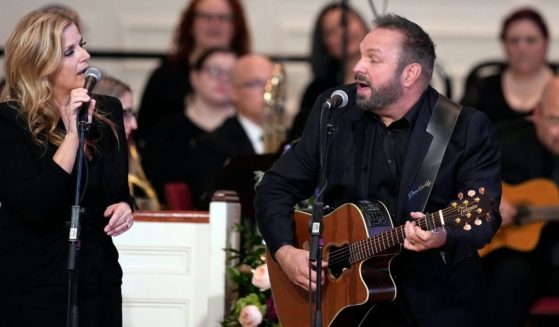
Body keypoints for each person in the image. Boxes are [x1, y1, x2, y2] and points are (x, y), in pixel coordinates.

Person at [255, 14, 502, 326]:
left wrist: (442, 236)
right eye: (360, 56)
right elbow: (274, 188)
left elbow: (485, 217)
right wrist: (285, 252)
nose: (358, 67)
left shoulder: (464, 129)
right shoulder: (335, 114)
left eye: (373, 59)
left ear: (410, 73)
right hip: (348, 307)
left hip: (438, 305)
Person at [0, 10, 133, 326]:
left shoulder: (109, 111)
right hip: (35, 277)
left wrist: (125, 208)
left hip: (99, 275)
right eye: (70, 51)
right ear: (41, 65)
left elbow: (118, 191)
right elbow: (35, 204)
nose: (86, 56)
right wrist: (73, 134)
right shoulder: (9, 121)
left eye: (82, 45)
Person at [461, 8, 558, 326]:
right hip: (509, 239)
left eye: (531, 39)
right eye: (514, 40)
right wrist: (490, 195)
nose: (522, 47)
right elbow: (461, 156)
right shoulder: (490, 103)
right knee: (506, 276)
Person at [137, 0, 250, 151]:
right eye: (206, 17)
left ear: (236, 25)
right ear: (190, 23)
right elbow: (144, 133)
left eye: (223, 18)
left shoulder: (250, 73)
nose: (214, 24)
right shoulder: (165, 76)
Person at [142, 48, 237, 205]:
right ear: (194, 77)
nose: (223, 79)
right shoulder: (168, 131)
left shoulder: (250, 130)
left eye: (231, 73)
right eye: (214, 71)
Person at [188, 53, 275, 211]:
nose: (269, 92)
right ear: (233, 91)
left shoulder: (296, 138)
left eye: (273, 84)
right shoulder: (211, 146)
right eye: (257, 83)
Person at [288, 2, 369, 142]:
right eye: (331, 31)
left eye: (345, 23)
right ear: (325, 45)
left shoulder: (386, 79)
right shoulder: (316, 91)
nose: (342, 33)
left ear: (363, 24)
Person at [94, 75, 160, 210]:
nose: (134, 125)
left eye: (133, 113)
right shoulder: (88, 166)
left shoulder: (133, 154)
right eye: (124, 113)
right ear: (100, 112)